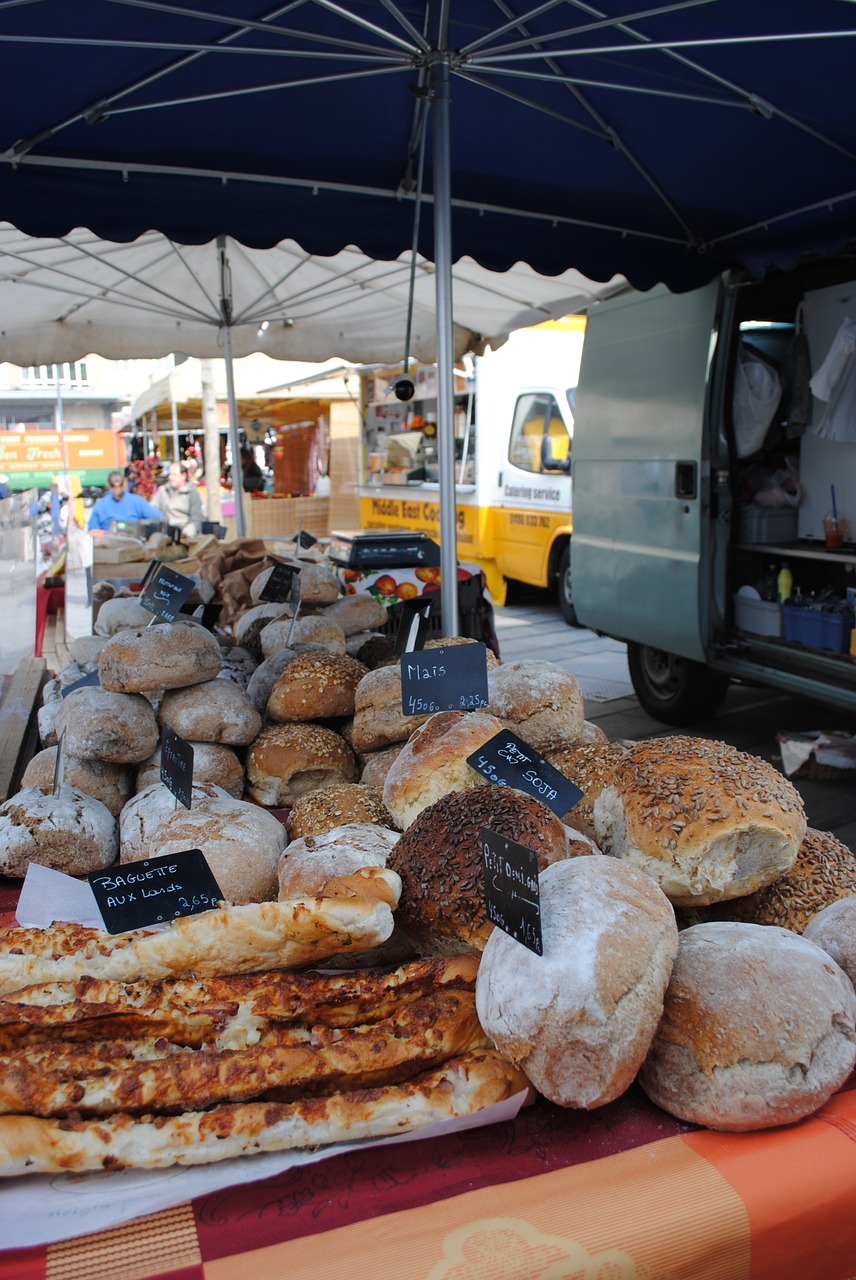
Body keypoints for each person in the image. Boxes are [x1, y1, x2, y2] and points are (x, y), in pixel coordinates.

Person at [87, 470, 163, 531]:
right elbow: (159, 517)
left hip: (109, 546)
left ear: (108, 485)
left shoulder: (100, 505)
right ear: (125, 484)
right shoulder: (137, 502)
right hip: (133, 545)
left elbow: (92, 530)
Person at [152, 460, 206, 538]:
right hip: (164, 532)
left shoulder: (193, 494)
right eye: (170, 474)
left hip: (184, 533)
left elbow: (197, 520)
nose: (171, 477)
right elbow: (152, 510)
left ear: (183, 476)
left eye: (174, 475)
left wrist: (184, 534)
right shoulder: (163, 491)